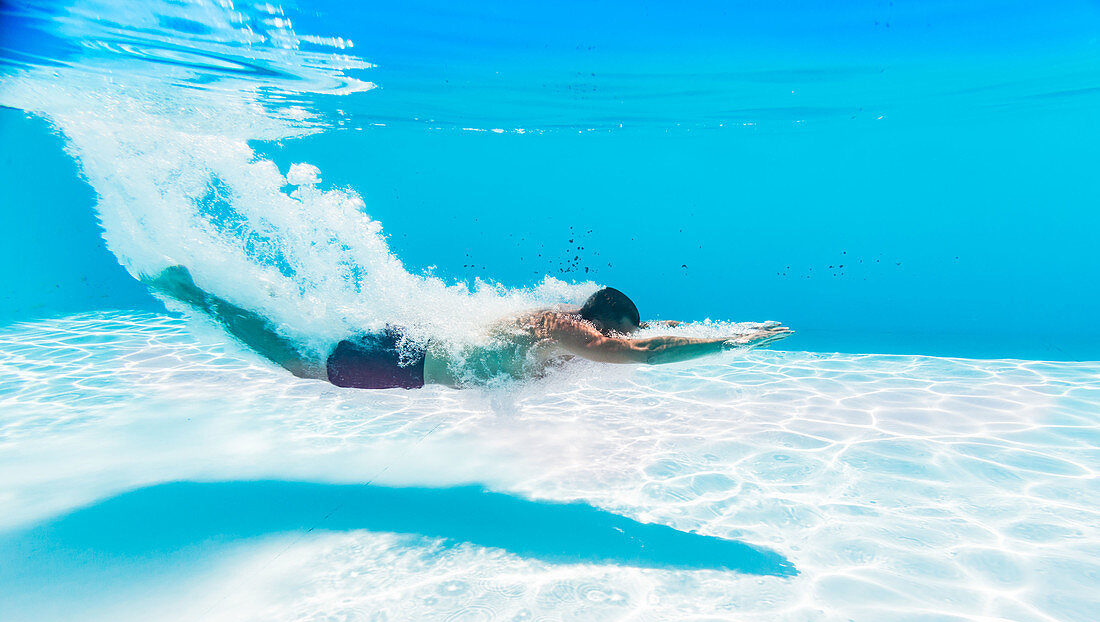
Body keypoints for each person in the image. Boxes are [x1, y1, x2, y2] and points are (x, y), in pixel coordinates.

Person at [146, 265, 793, 389]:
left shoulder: (568, 323)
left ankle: (205, 292)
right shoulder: (564, 328)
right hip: (411, 363)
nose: (623, 342)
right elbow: (646, 356)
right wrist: (730, 341)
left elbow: (657, 333)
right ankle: (194, 292)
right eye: (621, 332)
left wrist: (718, 324)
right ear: (602, 324)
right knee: (299, 362)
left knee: (311, 346)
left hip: (417, 349)